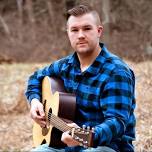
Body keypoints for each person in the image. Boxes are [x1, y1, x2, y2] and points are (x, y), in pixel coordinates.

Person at [25, 4, 136, 152]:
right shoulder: (65, 66)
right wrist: (34, 101)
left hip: (106, 147)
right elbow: (35, 77)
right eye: (75, 30)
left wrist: (84, 136)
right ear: (68, 33)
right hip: (64, 146)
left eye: (87, 28)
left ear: (99, 31)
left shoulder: (116, 72)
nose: (81, 35)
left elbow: (116, 123)